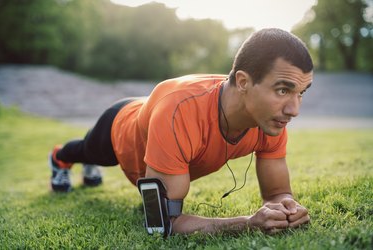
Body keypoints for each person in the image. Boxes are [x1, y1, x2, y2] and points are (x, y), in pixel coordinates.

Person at [49, 28, 313, 235]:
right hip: (120, 125)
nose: (294, 109)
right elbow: (162, 223)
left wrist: (286, 207)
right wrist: (246, 223)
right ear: (243, 82)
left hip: (159, 111)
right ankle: (60, 158)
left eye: (300, 93)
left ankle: (87, 165)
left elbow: (277, 193)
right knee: (89, 152)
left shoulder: (270, 117)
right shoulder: (179, 112)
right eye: (282, 90)